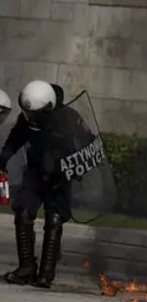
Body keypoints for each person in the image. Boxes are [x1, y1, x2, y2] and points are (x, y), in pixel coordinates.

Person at [0, 81, 84, 289]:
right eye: (27, 112)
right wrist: (2, 161)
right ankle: (26, 268)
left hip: (60, 177)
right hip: (35, 173)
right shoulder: (26, 120)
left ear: (48, 107)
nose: (30, 117)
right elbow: (14, 141)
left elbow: (86, 143)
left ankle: (46, 272)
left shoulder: (69, 119)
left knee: (54, 219)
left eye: (34, 113)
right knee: (23, 212)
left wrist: (79, 164)